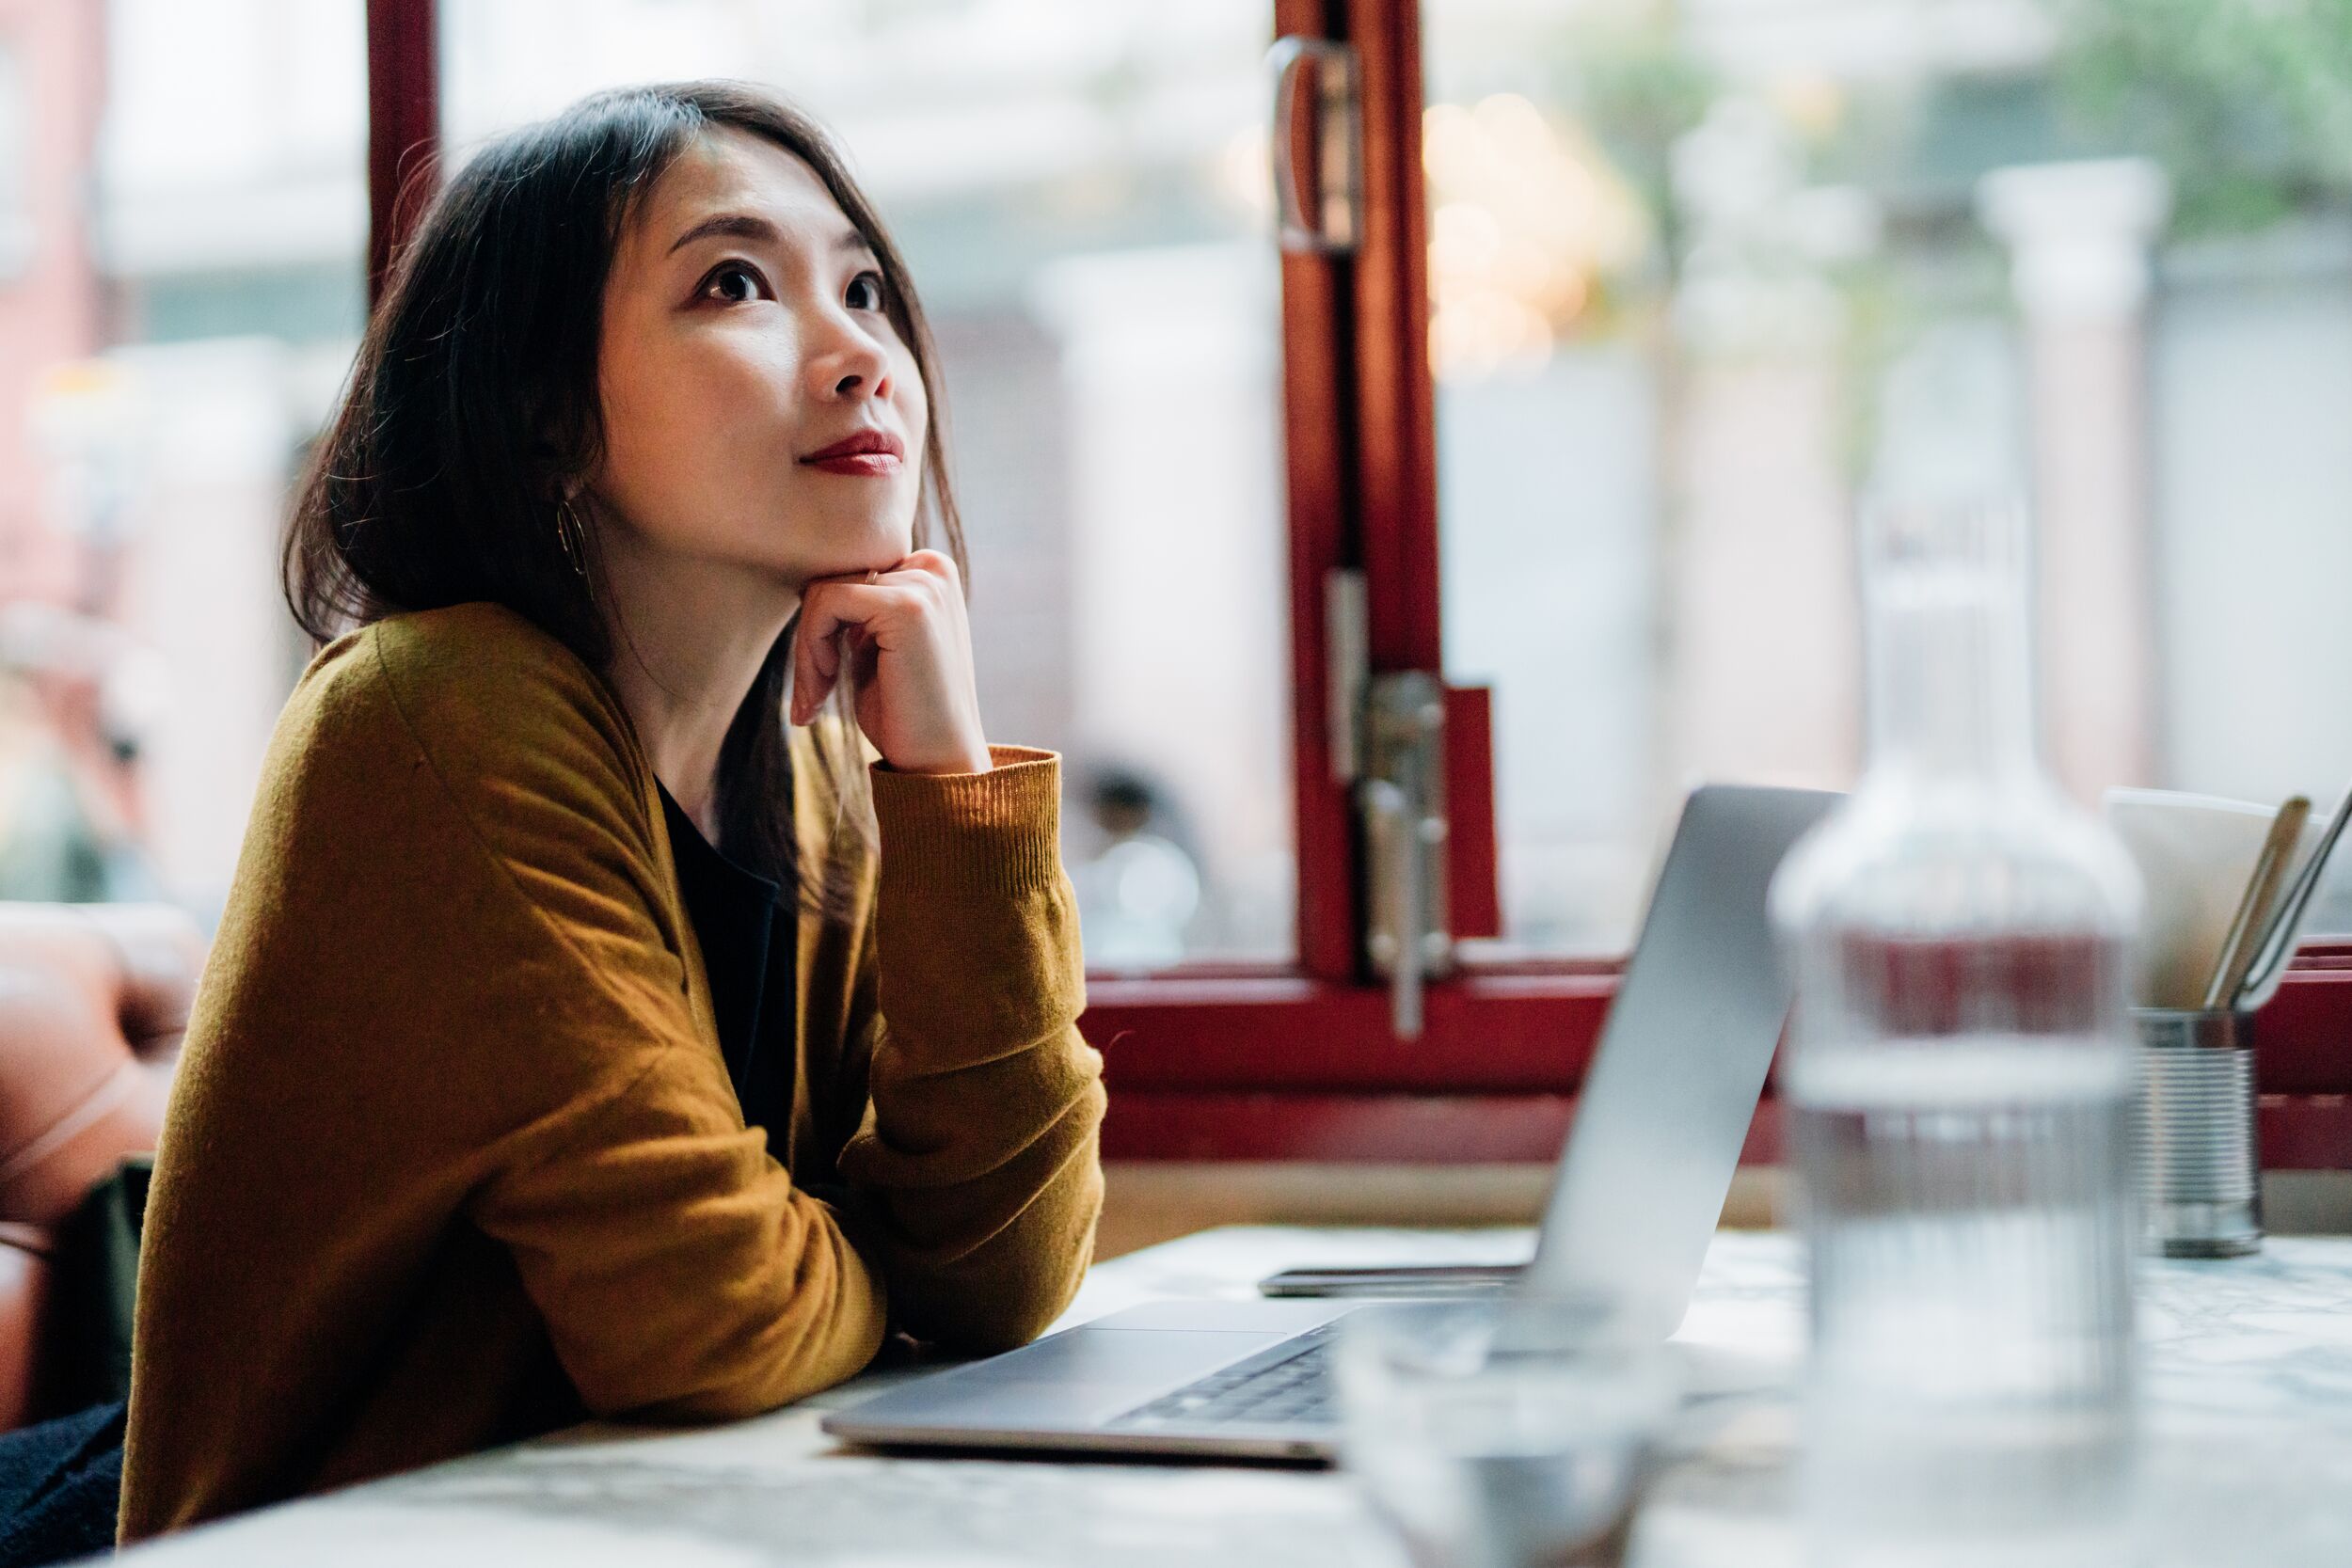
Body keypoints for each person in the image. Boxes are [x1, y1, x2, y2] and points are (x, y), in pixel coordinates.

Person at [110, 81, 1105, 1545]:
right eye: (737, 283)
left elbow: (1007, 1275)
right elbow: (721, 1329)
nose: (861, 357)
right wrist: (887, 1273)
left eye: (868, 287)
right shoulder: (430, 717)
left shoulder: (814, 761)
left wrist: (950, 790)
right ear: (544, 421)